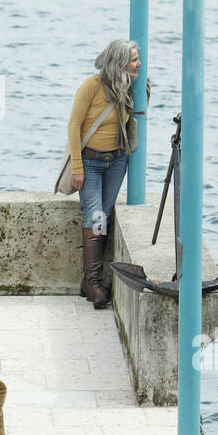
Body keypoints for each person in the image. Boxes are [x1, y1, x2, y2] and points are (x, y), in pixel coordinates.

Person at [67, 39, 150, 309]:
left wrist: (143, 99)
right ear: (119, 61)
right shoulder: (91, 86)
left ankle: (87, 282)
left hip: (116, 161)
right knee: (93, 216)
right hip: (90, 162)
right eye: (134, 59)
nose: (139, 64)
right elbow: (73, 126)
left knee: (103, 215)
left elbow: (129, 121)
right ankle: (93, 283)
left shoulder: (126, 86)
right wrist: (77, 167)